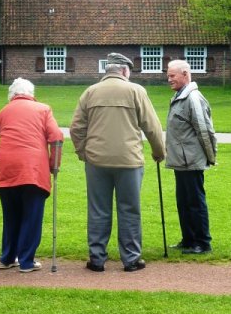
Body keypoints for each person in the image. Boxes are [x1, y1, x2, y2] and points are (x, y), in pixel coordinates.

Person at [70, 53, 165, 272]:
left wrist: (83, 152)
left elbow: (76, 128)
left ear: (108, 71)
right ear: (124, 71)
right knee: (130, 210)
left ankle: (97, 258)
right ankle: (131, 259)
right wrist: (159, 152)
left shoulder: (90, 92)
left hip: (96, 161)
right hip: (129, 161)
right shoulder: (136, 91)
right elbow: (152, 127)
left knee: (98, 210)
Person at [0, 77, 64, 273]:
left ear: (12, 95)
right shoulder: (43, 109)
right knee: (31, 215)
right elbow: (56, 137)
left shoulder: (2, 112)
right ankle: (26, 261)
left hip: (6, 166)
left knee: (11, 215)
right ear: (31, 94)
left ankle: (7, 258)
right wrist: (54, 165)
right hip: (32, 167)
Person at [166, 60, 217, 254]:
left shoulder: (193, 98)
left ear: (185, 74)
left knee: (195, 202)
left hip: (191, 161)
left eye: (172, 75)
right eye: (168, 75)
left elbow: (205, 131)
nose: (168, 79)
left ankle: (202, 242)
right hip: (181, 160)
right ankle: (188, 239)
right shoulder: (181, 96)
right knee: (184, 202)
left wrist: (210, 157)